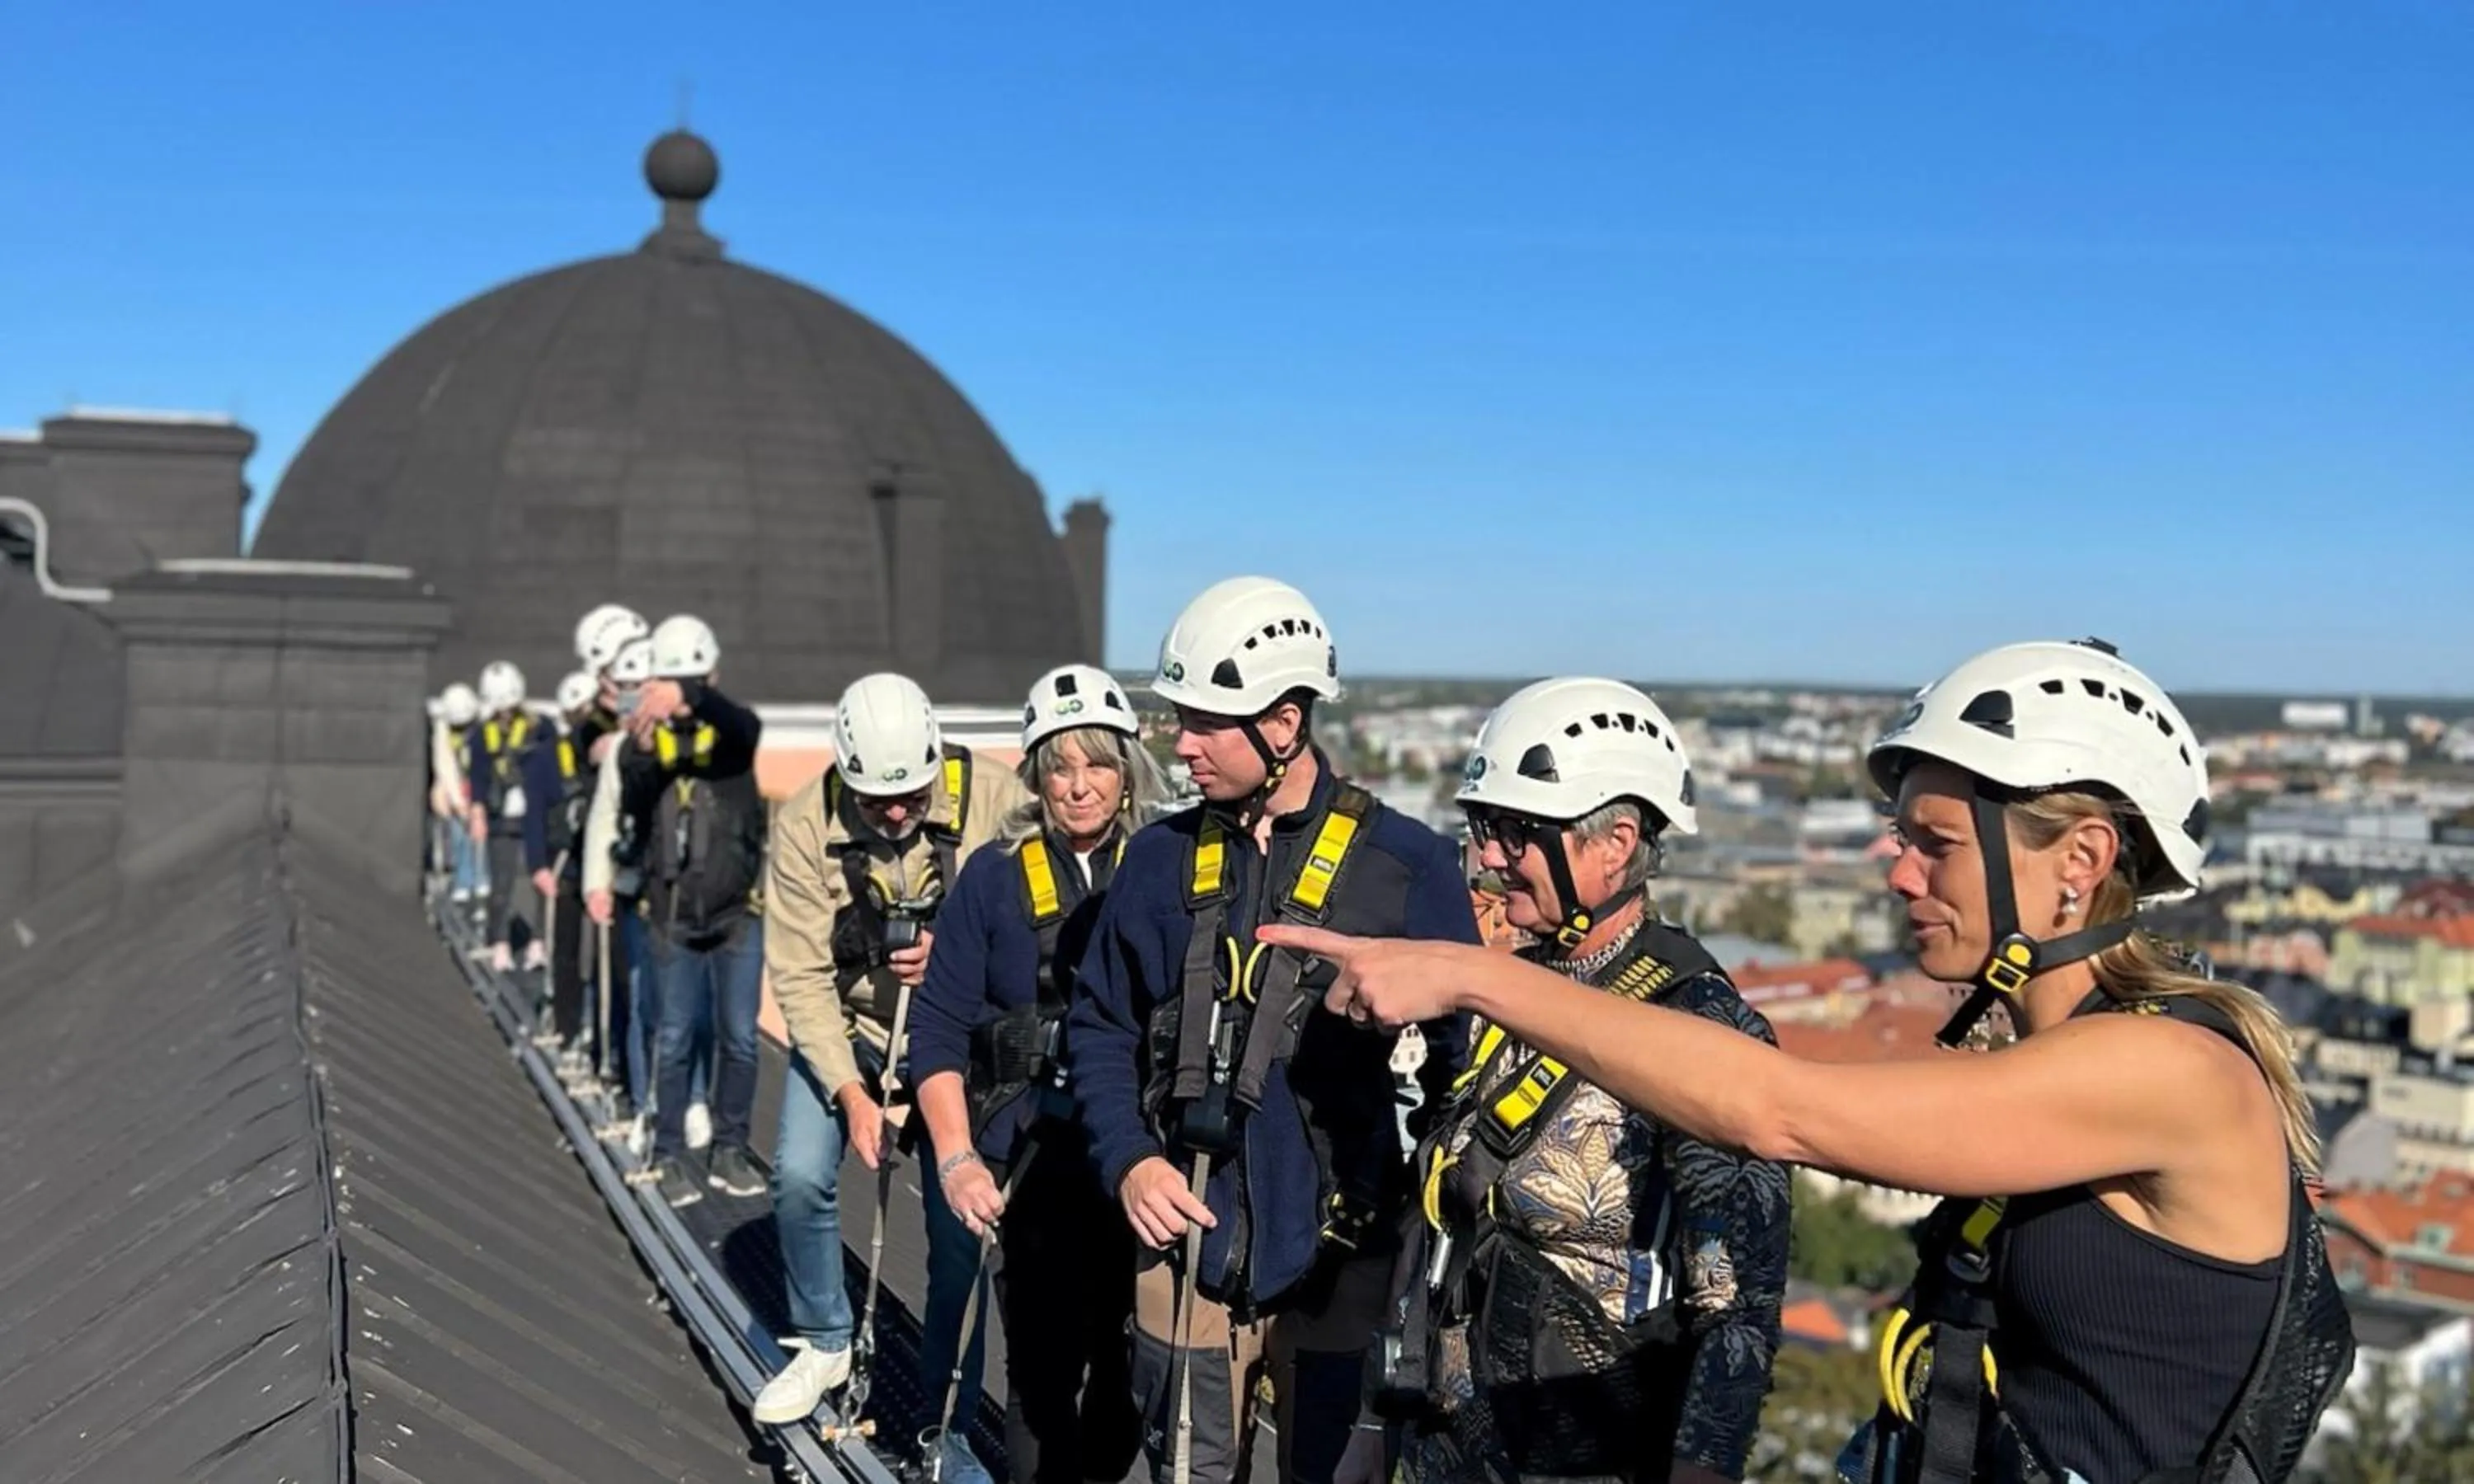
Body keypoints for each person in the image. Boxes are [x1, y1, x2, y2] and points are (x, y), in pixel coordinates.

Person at [1286, 640, 2356, 1484]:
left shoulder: (2171, 1072)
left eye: (1932, 841)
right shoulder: (2057, 1056)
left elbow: (1775, 1112)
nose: (1895, 872)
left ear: (2080, 862)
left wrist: (1471, 976)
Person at [1065, 576, 1477, 1484]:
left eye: (1207, 722)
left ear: (1284, 724)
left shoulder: (1407, 870)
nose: (1182, 743)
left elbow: (1463, 1068)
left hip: (1344, 1264)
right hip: (1187, 1248)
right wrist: (1130, 1157)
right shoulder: (1157, 861)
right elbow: (1100, 1024)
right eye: (1180, 718)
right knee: (1188, 1467)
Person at [1377, 678, 1787, 1484]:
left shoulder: (1699, 1030)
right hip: (1444, 1452)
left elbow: (1735, 1306)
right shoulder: (1505, 999)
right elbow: (1435, 1227)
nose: (1491, 857)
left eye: (1515, 832)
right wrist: (1375, 1416)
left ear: (1614, 842)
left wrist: (1701, 1469)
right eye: (1482, 829)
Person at [752, 670, 1028, 1479]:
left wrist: (961, 949)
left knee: (960, 1236)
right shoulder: (806, 824)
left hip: (956, 1039)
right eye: (878, 803)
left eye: (912, 795)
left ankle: (943, 1423)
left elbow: (1036, 912)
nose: (900, 815)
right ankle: (827, 1341)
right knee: (800, 1175)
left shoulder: (996, 800)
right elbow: (800, 975)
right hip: (849, 1031)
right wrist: (853, 1096)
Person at [910, 665, 1166, 1484]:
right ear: (1036, 777)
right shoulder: (992, 877)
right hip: (1033, 1157)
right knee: (1041, 1381)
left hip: (1135, 1156)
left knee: (1130, 1375)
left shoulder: (1165, 869)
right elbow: (940, 1027)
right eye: (1061, 766)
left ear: (1126, 773)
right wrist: (955, 1156)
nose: (1080, 787)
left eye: (1098, 765)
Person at [600, 615, 768, 1208]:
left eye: (689, 680)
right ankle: (668, 1152)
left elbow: (745, 726)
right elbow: (636, 781)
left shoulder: (730, 739)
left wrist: (692, 696)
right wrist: (644, 740)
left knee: (740, 1038)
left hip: (736, 915)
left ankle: (729, 1146)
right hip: (671, 916)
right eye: (669, 680)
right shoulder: (645, 745)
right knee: (671, 1039)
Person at [521, 669, 604, 1071]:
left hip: (601, 865)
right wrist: (538, 866)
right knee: (566, 952)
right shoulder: (547, 759)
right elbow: (535, 814)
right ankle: (569, 1028)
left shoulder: (606, 755)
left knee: (602, 958)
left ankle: (598, 1036)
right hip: (565, 866)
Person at [468, 660, 540, 974]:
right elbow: (479, 776)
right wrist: (478, 811)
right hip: (501, 819)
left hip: (533, 817)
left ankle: (538, 942)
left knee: (536, 882)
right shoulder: (483, 736)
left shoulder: (540, 730)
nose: (506, 715)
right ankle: (500, 942)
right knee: (501, 883)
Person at [432, 684, 482, 904]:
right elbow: (445, 764)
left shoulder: (482, 726)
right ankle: (463, 881)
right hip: (456, 787)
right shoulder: (443, 730)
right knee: (459, 833)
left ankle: (481, 882)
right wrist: (456, 799)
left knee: (480, 836)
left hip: (477, 783)